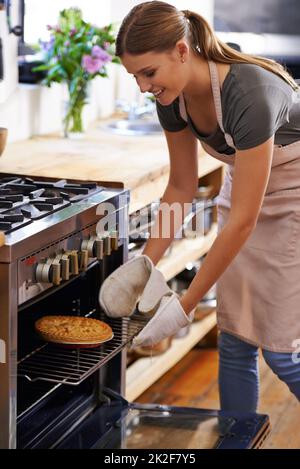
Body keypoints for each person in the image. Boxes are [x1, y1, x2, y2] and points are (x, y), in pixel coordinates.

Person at [100, 0, 300, 413]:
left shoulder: (249, 92)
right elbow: (180, 186)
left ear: (181, 50)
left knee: (282, 353)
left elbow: (243, 221)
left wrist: (186, 304)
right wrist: (146, 265)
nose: (142, 86)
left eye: (148, 72)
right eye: (135, 76)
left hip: (294, 200)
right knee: (234, 339)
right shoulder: (171, 99)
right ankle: (236, 441)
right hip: (246, 193)